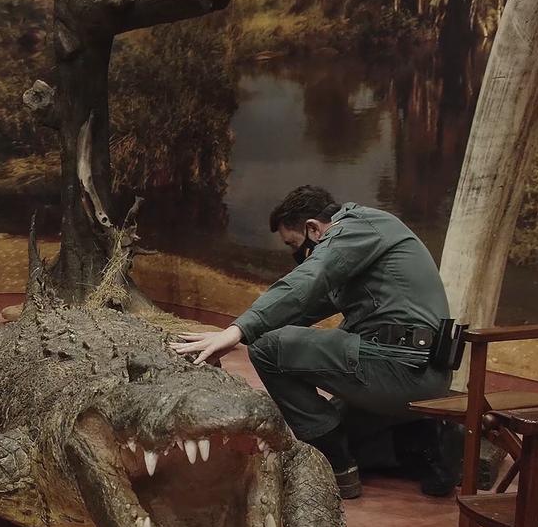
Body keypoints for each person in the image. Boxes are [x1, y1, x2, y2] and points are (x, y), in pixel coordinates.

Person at [171, 186, 457, 500]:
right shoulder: (368, 234)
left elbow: (308, 280)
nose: (298, 254)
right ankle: (421, 439)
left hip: (404, 370)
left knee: (268, 351)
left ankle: (337, 468)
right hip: (417, 371)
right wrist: (237, 336)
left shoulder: (354, 229)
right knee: (336, 431)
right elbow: (304, 307)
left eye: (294, 244)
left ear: (312, 228)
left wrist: (238, 331)